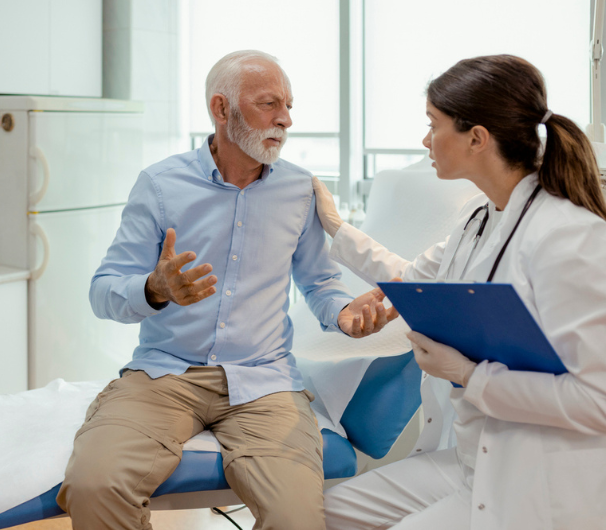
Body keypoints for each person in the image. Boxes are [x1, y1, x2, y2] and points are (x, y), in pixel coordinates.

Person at [54, 50, 398, 530]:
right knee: (96, 486)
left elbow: (320, 284)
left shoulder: (300, 191)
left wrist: (342, 314)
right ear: (221, 109)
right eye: (269, 104)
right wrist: (155, 289)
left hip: (265, 384)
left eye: (289, 105)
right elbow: (103, 291)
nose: (286, 119)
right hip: (166, 377)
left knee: (296, 518)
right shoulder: (159, 185)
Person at [312, 54, 606, 530]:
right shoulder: (480, 218)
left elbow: (597, 401)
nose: (424, 140)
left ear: (476, 138)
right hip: (472, 458)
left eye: (433, 124)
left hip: (534, 474)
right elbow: (413, 279)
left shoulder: (570, 238)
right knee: (323, 512)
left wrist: (469, 375)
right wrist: (336, 228)